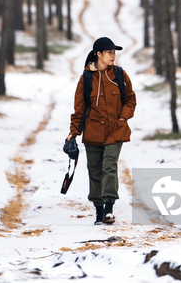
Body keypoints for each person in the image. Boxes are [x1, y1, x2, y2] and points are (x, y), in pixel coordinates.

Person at [66, 36, 136, 225]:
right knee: (95, 170)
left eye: (114, 52)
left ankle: (109, 209)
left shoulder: (120, 75)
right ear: (99, 54)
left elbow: (130, 98)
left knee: (109, 166)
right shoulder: (86, 79)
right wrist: (73, 132)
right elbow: (79, 109)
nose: (113, 56)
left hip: (115, 130)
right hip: (93, 131)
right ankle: (98, 211)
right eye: (109, 52)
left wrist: (123, 117)